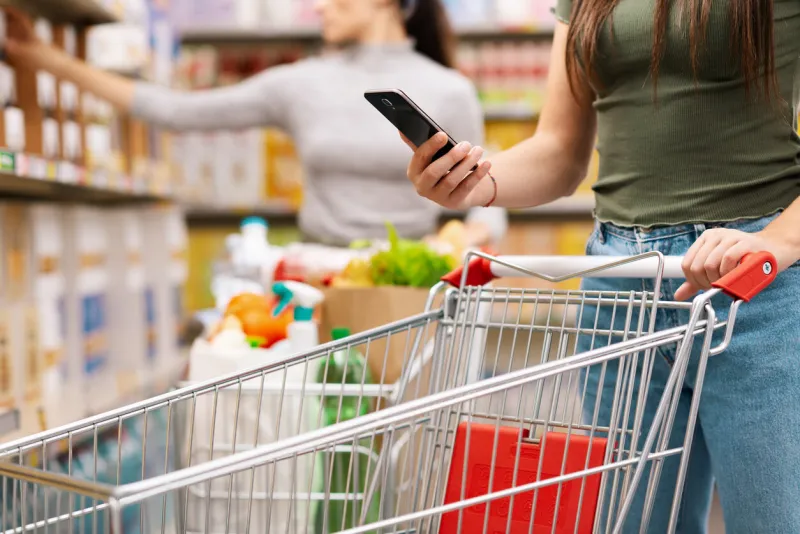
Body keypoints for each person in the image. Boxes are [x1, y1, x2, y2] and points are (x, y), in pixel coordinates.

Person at [404, 1, 800, 533]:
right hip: (620, 284)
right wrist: (473, 182)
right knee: (631, 523)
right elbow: (560, 151)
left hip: (751, 282)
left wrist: (777, 239)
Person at [4, 0, 506, 246]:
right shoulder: (297, 83)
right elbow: (176, 112)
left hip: (413, 292)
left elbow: (490, 206)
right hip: (316, 285)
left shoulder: (450, 90)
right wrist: (51, 63)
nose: (318, 5)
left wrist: (462, 240)